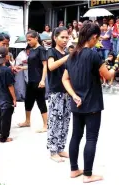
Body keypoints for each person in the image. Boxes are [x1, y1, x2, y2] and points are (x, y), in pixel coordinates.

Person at [61, 21, 115, 183]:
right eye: (97, 38)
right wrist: (113, 68)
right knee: (91, 138)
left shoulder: (72, 55)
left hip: (77, 104)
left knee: (76, 136)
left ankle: (74, 169)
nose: (97, 41)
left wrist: (74, 95)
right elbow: (107, 76)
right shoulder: (93, 55)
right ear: (93, 37)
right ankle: (88, 174)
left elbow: (65, 79)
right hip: (92, 104)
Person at [46, 27, 71, 162]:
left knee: (65, 120)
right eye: (62, 37)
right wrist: (67, 57)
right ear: (55, 38)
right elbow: (51, 66)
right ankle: (53, 150)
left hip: (67, 91)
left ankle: (61, 147)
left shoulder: (66, 52)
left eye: (67, 37)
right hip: (56, 91)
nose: (65, 40)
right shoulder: (51, 51)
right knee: (55, 120)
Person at [17, 30, 48, 133]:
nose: (28, 42)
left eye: (29, 40)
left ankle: (45, 125)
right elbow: (32, 65)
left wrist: (43, 80)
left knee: (41, 102)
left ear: (36, 38)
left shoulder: (41, 50)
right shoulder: (32, 50)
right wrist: (21, 68)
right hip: (31, 80)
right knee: (28, 101)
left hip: (39, 80)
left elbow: (45, 66)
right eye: (27, 40)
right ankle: (27, 121)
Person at [0, 46, 16, 143]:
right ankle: (4, 137)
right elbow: (10, 86)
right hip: (6, 98)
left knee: (1, 117)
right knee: (6, 119)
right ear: (7, 57)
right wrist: (14, 98)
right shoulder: (6, 70)